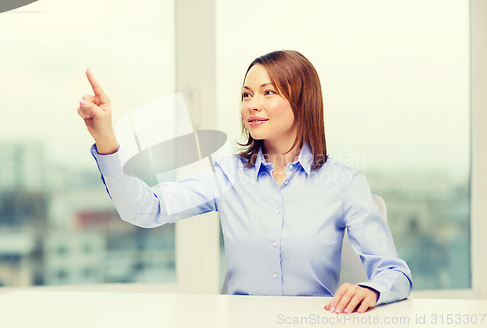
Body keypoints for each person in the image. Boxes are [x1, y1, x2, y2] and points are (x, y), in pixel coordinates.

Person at [77, 50, 412, 314]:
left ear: (302, 100)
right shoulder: (228, 174)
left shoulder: (343, 182)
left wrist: (371, 289)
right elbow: (146, 209)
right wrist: (107, 140)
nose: (252, 105)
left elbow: (394, 273)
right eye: (246, 94)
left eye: (268, 93)